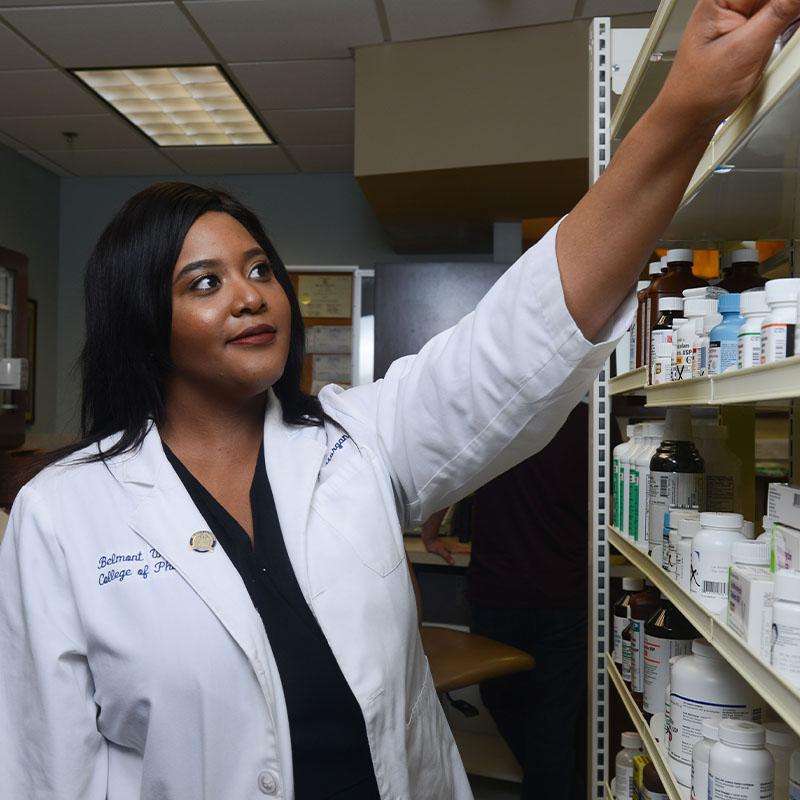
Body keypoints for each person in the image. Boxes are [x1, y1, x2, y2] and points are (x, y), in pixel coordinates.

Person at [0, 2, 796, 797]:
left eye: (260, 268)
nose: (250, 296)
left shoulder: (356, 442)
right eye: (204, 283)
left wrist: (683, 110)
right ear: (143, 322)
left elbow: (520, 335)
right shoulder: (64, 514)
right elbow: (47, 765)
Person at [421, 402, 620, 799]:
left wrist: (430, 532)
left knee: (506, 701)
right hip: (565, 591)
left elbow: (449, 476)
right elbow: (615, 497)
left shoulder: (496, 413)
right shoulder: (593, 419)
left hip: (500, 589)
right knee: (554, 722)